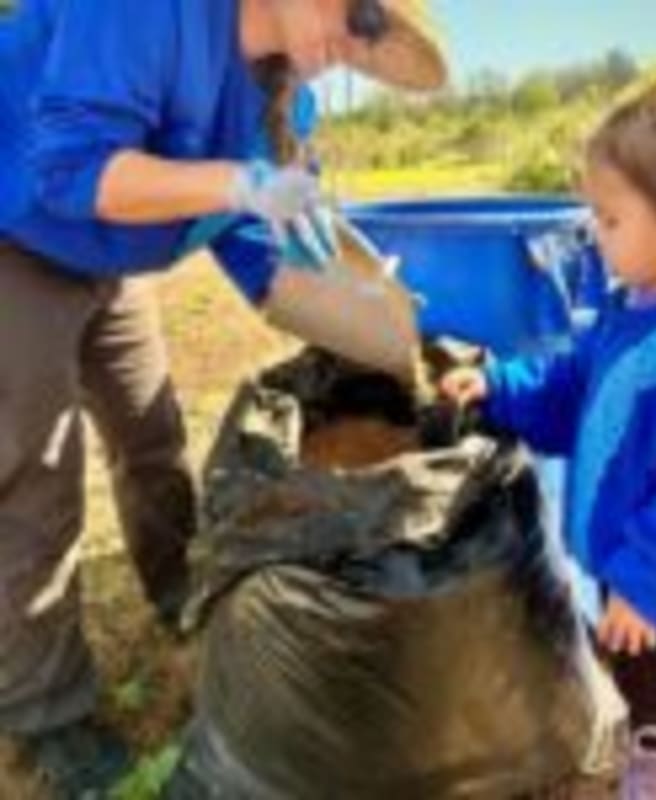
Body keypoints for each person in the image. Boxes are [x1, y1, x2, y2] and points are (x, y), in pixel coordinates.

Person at [0, 0, 446, 794]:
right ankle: (49, 714)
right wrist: (241, 183)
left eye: (373, 33)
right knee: (38, 477)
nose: (357, 39)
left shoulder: (284, 93)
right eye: (362, 11)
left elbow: (245, 237)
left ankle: (181, 598)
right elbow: (69, 172)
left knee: (151, 436)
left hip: (108, 256)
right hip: (18, 229)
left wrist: (372, 324)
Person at [440, 66, 656, 800]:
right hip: (626, 553)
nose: (595, 231)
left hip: (654, 563)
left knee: (642, 690)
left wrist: (649, 586)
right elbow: (571, 387)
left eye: (612, 219)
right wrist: (496, 386)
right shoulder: (632, 304)